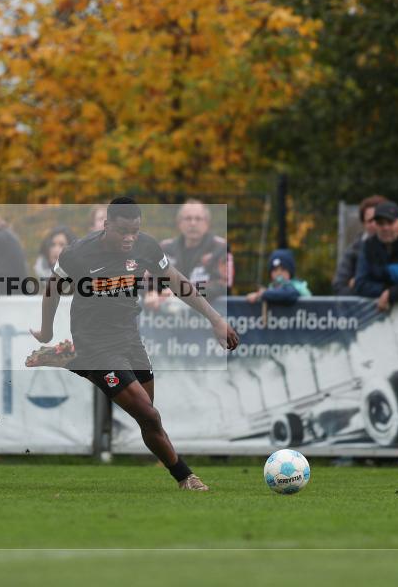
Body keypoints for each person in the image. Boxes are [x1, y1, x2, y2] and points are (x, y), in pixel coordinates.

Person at [28, 197, 239, 491]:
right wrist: (47, 331)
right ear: (106, 225)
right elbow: (53, 288)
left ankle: (74, 361)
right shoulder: (78, 253)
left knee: (148, 415)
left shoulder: (146, 246)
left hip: (129, 338)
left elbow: (176, 281)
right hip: (94, 343)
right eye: (123, 231)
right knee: (148, 414)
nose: (129, 238)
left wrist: (215, 318)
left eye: (134, 231)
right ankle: (185, 477)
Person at [145, 199, 231, 310]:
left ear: (207, 223)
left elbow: (223, 285)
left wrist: (182, 292)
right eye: (188, 218)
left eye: (198, 219)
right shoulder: (165, 248)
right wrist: (151, 292)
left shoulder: (221, 247)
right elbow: (148, 279)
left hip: (208, 319)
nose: (193, 223)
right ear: (179, 223)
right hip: (166, 320)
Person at [332, 195, 387, 295]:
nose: (375, 224)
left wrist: (360, 284)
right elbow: (339, 286)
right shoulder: (353, 251)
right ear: (363, 223)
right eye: (370, 221)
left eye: (379, 220)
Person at [245, 249, 311, 305]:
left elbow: (288, 295)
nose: (279, 273)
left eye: (283, 270)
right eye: (275, 270)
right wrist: (258, 296)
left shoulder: (297, 286)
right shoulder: (271, 288)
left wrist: (263, 294)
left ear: (290, 272)